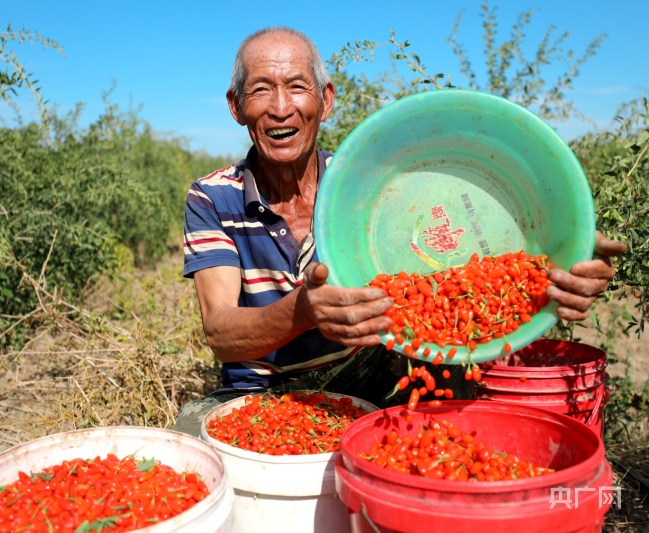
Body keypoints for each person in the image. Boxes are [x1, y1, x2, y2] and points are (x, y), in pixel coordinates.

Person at [169, 26, 627, 436]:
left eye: (297, 87)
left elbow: (458, 281)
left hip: (366, 375)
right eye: (261, 90)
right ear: (236, 107)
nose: (281, 108)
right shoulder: (214, 198)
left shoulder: (373, 189)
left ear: (326, 100)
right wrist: (303, 310)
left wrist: (564, 262)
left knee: (455, 404)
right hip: (259, 393)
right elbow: (222, 334)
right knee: (193, 435)